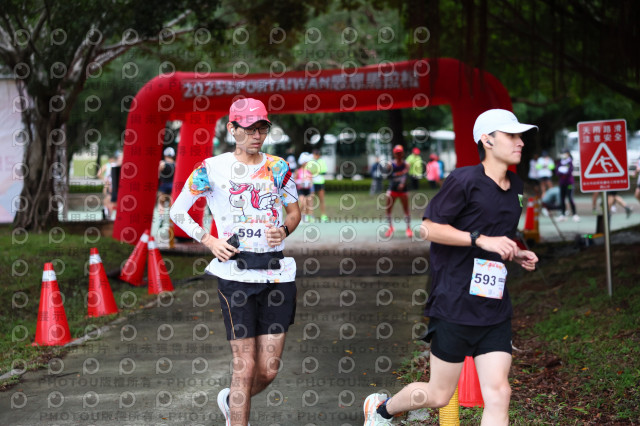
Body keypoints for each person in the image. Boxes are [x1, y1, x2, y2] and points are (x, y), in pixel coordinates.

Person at [364, 109, 539, 426]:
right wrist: (480, 239)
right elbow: (428, 228)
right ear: (487, 140)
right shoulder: (463, 180)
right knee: (439, 394)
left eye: (520, 136)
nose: (520, 142)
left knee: (499, 392)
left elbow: (499, 235)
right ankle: (382, 410)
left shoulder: (515, 185)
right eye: (511, 135)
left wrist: (517, 252)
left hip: (494, 305)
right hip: (454, 303)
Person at [169, 98, 301, 426]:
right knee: (244, 364)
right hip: (235, 274)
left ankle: (231, 402)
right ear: (232, 128)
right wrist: (209, 240)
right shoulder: (211, 168)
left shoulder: (279, 167)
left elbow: (294, 211)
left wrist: (284, 229)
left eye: (262, 128)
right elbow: (177, 211)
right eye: (249, 128)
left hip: (276, 274)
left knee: (268, 369)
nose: (256, 135)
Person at [384, 145, 412, 238]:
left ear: (402, 153)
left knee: (406, 209)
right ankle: (390, 227)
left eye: (400, 153)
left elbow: (407, 176)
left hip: (403, 190)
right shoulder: (390, 164)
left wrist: (402, 183)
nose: (398, 155)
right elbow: (388, 176)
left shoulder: (406, 164)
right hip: (392, 189)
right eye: (397, 153)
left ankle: (408, 228)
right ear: (394, 154)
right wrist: (397, 174)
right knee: (388, 208)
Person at [555, 149, 580, 222]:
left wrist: (562, 170)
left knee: (570, 198)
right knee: (562, 199)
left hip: (569, 183)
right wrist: (563, 171)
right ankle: (563, 214)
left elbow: (569, 172)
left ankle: (575, 214)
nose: (563, 154)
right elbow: (557, 172)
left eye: (564, 153)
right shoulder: (560, 162)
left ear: (568, 154)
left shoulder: (570, 162)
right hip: (562, 183)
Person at [309, 148, 328, 222]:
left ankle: (323, 215)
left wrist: (315, 171)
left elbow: (324, 171)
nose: (316, 155)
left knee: (321, 199)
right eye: (315, 154)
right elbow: (308, 171)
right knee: (311, 200)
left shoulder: (322, 161)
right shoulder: (310, 161)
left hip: (320, 183)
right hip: (312, 183)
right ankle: (311, 215)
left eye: (317, 154)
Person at [97, 154, 118, 220]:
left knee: (107, 201)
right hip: (115, 186)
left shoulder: (106, 166)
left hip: (108, 185)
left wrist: (105, 179)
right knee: (112, 202)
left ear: (109, 159)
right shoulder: (117, 165)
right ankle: (109, 216)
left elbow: (98, 174)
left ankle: (107, 215)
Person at [295, 152, 314, 222]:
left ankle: (307, 216)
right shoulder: (298, 171)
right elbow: (294, 180)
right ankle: (299, 215)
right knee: (303, 203)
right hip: (300, 190)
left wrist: (310, 183)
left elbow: (311, 181)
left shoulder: (309, 171)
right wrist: (300, 182)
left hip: (307, 189)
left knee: (309, 203)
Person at [157, 147, 176, 215]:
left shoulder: (162, 163)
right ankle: (170, 216)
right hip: (172, 185)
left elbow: (158, 173)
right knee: (172, 202)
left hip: (163, 185)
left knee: (161, 201)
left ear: (165, 155)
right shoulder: (176, 164)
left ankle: (161, 216)